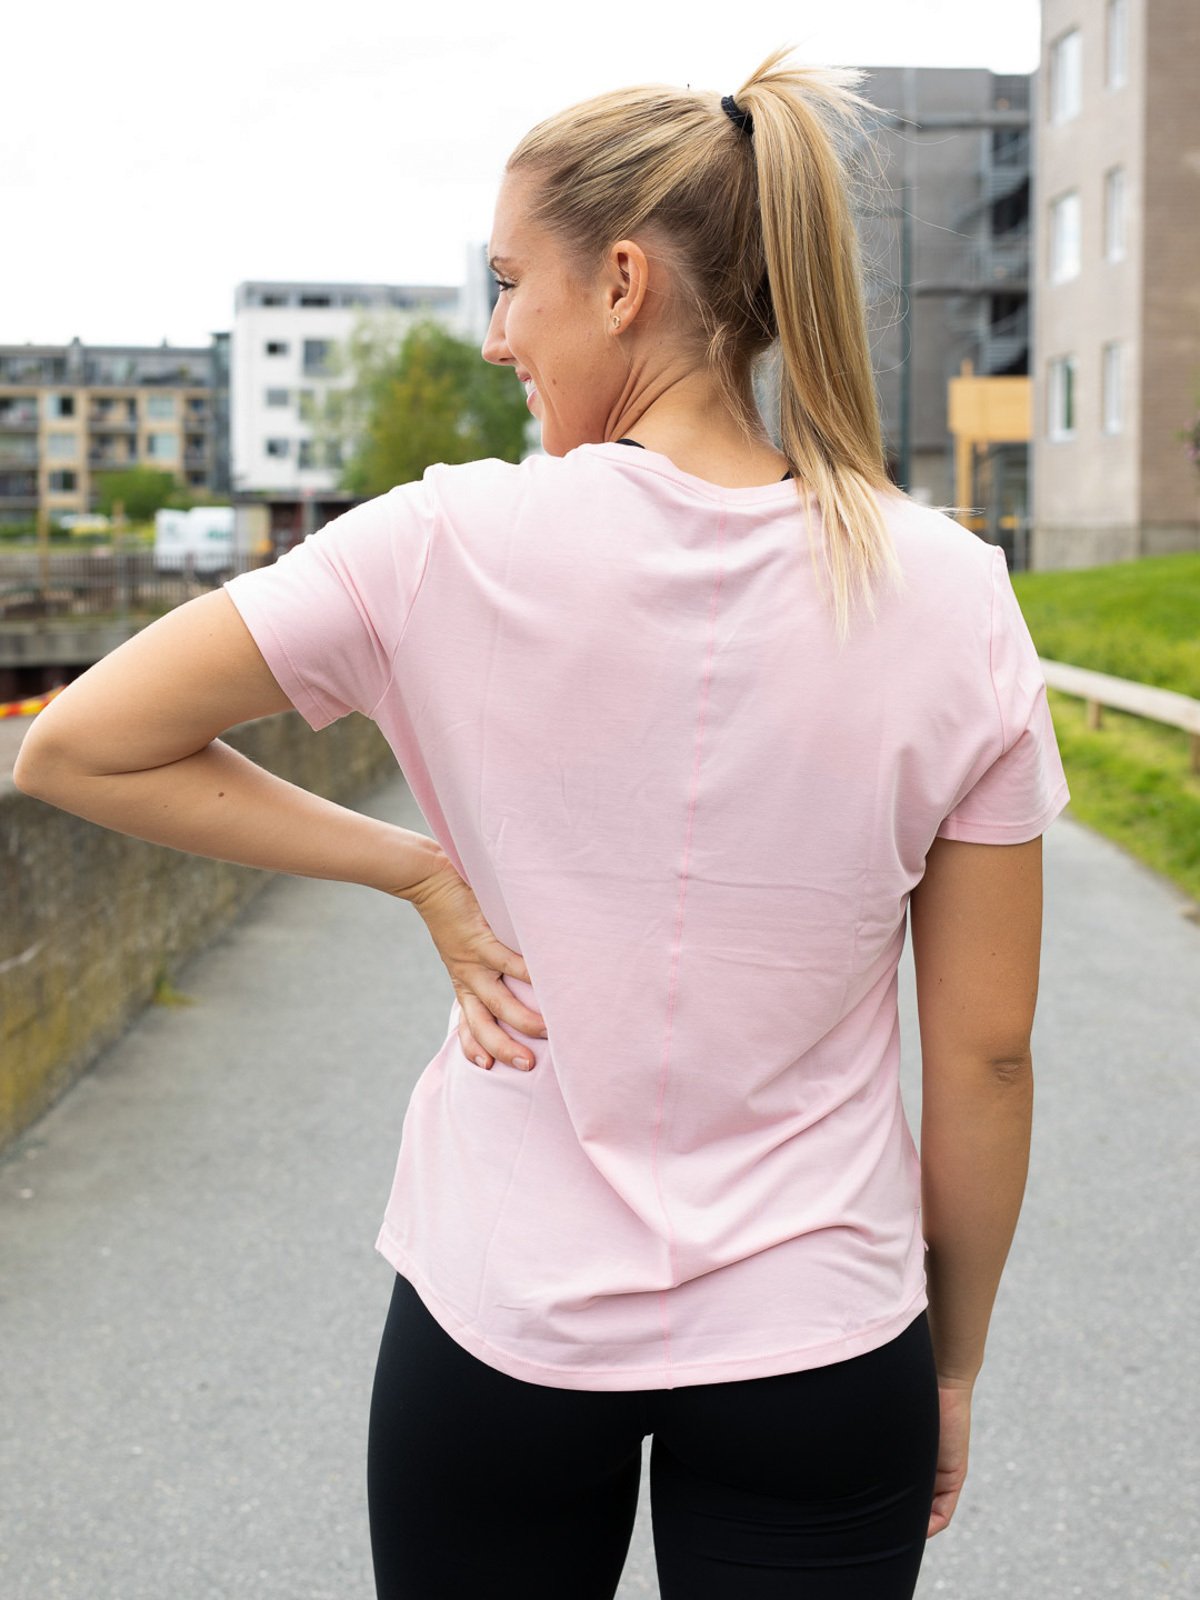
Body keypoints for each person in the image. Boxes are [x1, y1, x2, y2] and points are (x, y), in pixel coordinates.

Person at [14, 46, 1070, 1600]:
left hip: (498, 1319)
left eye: (512, 284)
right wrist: (952, 1360)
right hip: (824, 1335)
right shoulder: (953, 595)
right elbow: (984, 1052)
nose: (500, 333)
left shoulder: (448, 542)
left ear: (624, 280)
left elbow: (78, 748)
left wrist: (413, 871)